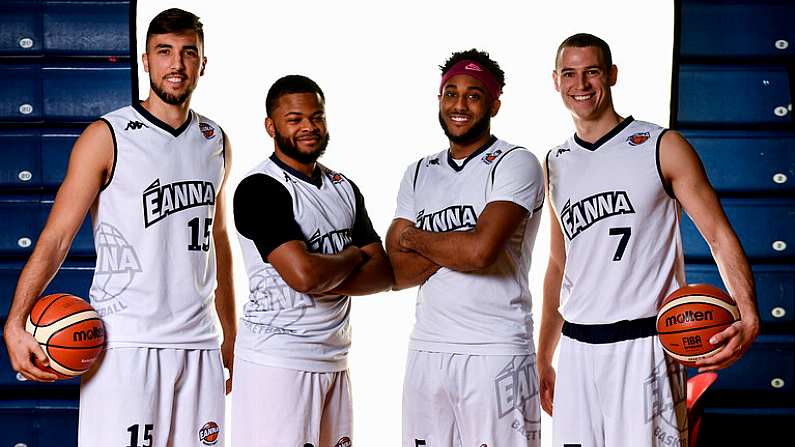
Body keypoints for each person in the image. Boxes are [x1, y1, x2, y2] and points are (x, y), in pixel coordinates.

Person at [2, 8, 235, 447]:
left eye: (189, 53)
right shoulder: (106, 136)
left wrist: (231, 334)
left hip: (200, 345)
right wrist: (15, 323)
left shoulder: (215, 140)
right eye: (164, 52)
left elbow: (217, 239)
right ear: (146, 61)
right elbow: (56, 238)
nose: (177, 64)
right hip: (127, 344)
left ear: (203, 63)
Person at [539, 33, 760, 447]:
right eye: (570, 73)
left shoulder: (661, 145)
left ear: (612, 75)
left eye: (592, 72)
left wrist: (748, 314)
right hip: (577, 350)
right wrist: (542, 357)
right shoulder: (554, 163)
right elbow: (557, 265)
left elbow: (718, 235)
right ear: (555, 81)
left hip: (644, 348)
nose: (581, 84)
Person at [386, 49, 545, 447]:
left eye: (473, 95)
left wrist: (416, 238)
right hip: (428, 346)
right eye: (450, 93)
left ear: (494, 103)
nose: (459, 104)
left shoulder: (515, 163)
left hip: (496, 349)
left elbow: (479, 252)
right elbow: (397, 268)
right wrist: (453, 243)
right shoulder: (419, 171)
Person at [231, 74, 393, 447]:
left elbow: (383, 273)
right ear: (271, 126)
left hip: (335, 358)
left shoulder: (342, 186)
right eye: (295, 119)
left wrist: (324, 272)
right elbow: (303, 276)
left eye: (316, 117)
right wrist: (353, 254)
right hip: (278, 362)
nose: (309, 127)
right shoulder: (260, 188)